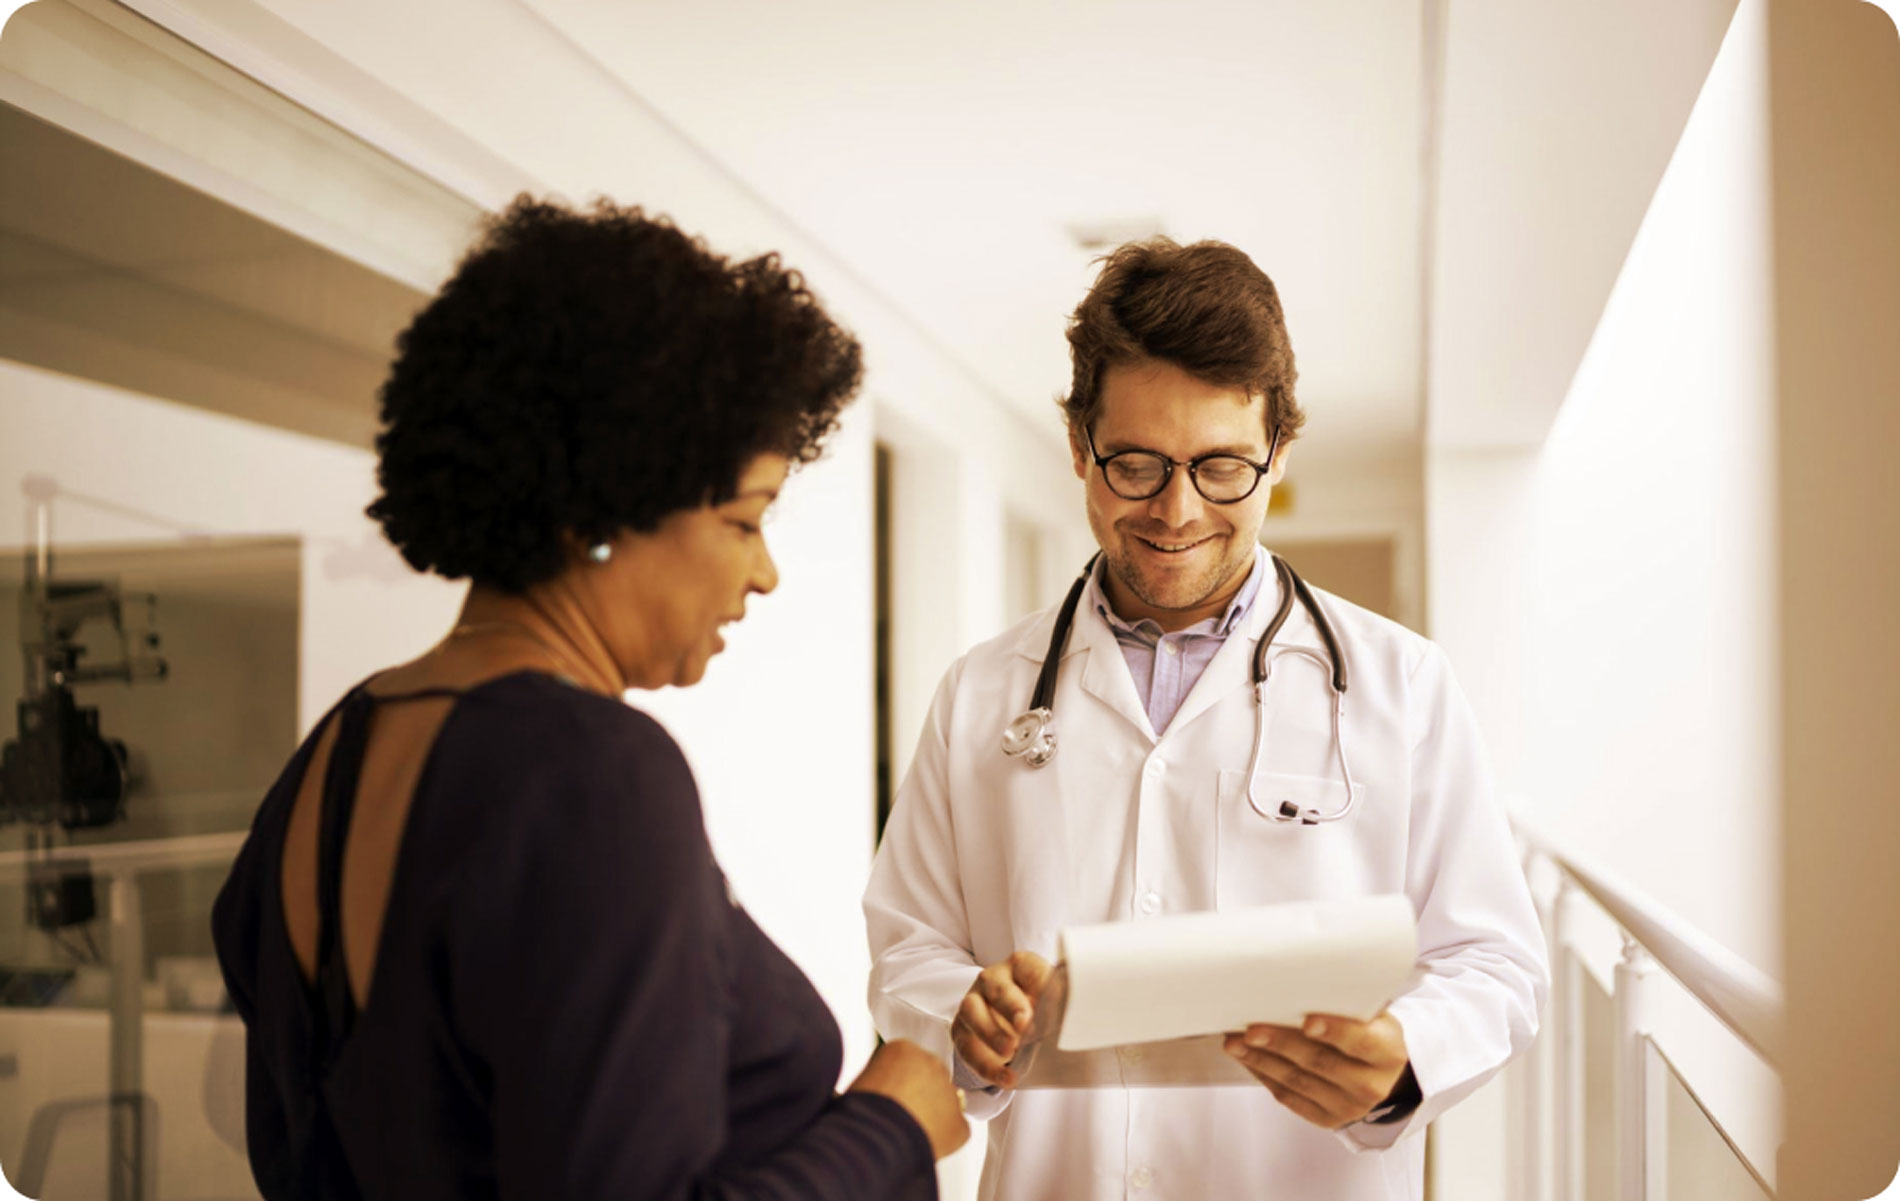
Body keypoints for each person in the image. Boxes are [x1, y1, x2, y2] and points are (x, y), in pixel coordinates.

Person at [213, 197, 967, 1201]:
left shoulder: (329, 759)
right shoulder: (595, 772)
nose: (766, 573)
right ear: (597, 511)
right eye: (745, 521)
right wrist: (892, 1119)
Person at [863, 237, 1546, 1200]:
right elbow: (910, 945)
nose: (1177, 510)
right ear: (1077, 445)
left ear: (1279, 452)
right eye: (1136, 463)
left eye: (1223, 466)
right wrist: (958, 1017)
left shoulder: (1404, 685)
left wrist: (1403, 1059)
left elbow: (1495, 960)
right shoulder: (983, 692)